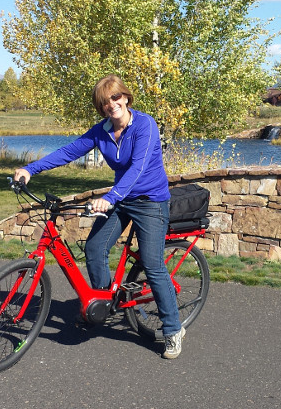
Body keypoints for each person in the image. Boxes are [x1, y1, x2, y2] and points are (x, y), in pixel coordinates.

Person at [13, 74, 185, 359]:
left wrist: (109, 198)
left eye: (116, 97)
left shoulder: (145, 125)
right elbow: (69, 152)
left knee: (153, 265)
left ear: (126, 97)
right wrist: (31, 169)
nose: (112, 105)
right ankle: (103, 303)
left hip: (150, 202)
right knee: (94, 248)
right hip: (120, 198)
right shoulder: (102, 130)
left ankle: (173, 329)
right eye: (105, 102)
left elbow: (138, 169)